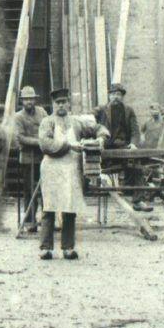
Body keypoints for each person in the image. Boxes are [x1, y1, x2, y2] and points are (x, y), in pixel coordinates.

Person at [37, 88, 106, 260]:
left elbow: (98, 127)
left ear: (69, 103)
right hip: (52, 168)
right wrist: (69, 145)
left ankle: (68, 247)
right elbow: (45, 144)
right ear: (53, 104)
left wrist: (101, 137)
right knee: (49, 207)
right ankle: (46, 248)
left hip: (71, 169)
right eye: (57, 102)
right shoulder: (47, 122)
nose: (61, 105)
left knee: (69, 207)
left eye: (64, 102)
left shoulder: (76, 122)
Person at [12, 85, 47, 232]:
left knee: (45, 190)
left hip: (43, 157)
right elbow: (20, 137)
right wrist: (39, 141)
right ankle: (30, 221)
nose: (29, 102)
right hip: (27, 158)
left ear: (34, 99)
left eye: (31, 99)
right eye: (26, 99)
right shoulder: (18, 117)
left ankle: (47, 220)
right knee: (30, 190)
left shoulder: (42, 112)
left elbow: (48, 127)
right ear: (22, 101)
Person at [94, 82, 141, 149]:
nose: (115, 97)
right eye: (113, 94)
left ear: (122, 97)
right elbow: (91, 118)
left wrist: (133, 144)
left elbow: (135, 130)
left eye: (118, 94)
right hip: (106, 146)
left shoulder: (129, 110)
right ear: (109, 96)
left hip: (124, 145)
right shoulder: (102, 110)